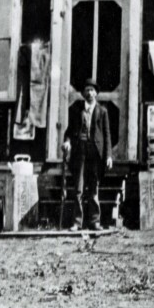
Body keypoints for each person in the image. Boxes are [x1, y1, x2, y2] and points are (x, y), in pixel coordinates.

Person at [62, 78, 113, 230]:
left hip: (96, 154)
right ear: (83, 93)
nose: (90, 93)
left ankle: (95, 221)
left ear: (96, 93)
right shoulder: (76, 110)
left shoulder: (102, 111)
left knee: (93, 188)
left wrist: (109, 155)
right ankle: (76, 222)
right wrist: (67, 142)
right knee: (78, 188)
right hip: (80, 152)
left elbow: (107, 135)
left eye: (92, 90)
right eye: (87, 90)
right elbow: (69, 131)